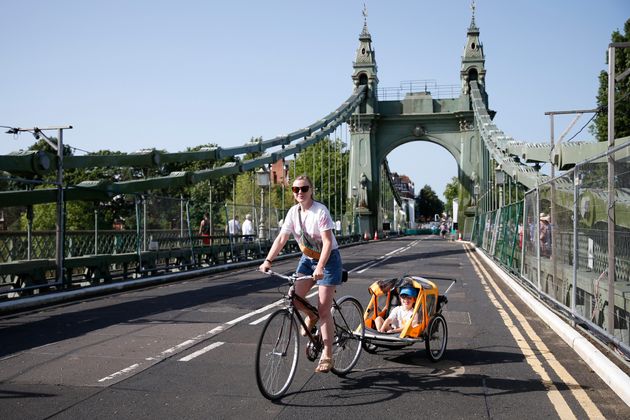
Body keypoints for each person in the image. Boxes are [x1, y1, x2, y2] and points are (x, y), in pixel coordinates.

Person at [259, 175, 342, 374]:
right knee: (293, 298)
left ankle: (328, 354)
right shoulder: (293, 212)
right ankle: (310, 314)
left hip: (328, 259)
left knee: (324, 310)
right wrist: (268, 260)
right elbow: (281, 238)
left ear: (311, 190)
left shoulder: (320, 211)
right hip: (307, 258)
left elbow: (328, 242)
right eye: (295, 190)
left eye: (304, 189)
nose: (299, 193)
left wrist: (320, 267)